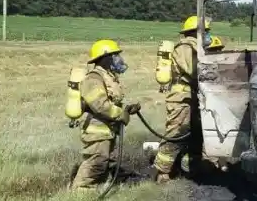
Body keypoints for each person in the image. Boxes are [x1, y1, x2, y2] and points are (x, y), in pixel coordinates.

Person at [71, 39, 140, 190]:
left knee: (107, 161)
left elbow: (111, 102)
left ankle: (102, 188)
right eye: (115, 55)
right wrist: (122, 113)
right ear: (105, 58)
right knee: (97, 161)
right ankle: (78, 193)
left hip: (108, 129)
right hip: (97, 130)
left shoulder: (108, 77)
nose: (118, 59)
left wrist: (127, 109)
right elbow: (101, 106)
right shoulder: (93, 79)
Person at [151, 16, 212, 182]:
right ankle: (162, 171)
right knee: (176, 132)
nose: (208, 34)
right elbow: (194, 70)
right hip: (181, 97)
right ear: (195, 32)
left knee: (195, 133)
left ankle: (191, 167)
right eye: (205, 32)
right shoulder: (185, 47)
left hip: (192, 97)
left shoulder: (196, 47)